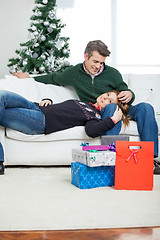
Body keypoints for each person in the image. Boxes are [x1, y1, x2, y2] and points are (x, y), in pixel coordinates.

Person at [13, 40, 159, 174]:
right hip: (101, 110)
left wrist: (129, 94)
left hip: (122, 107)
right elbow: (54, 78)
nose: (98, 66)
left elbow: (123, 89)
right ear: (86, 56)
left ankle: (150, 160)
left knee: (146, 107)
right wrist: (30, 78)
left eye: (101, 63)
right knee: (110, 108)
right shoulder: (74, 73)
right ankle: (110, 159)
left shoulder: (113, 73)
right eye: (95, 61)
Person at [0, 89, 130, 175]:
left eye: (110, 100)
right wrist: (48, 100)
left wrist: (113, 120)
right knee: (2, 95)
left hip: (40, 121)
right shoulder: (85, 103)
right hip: (35, 106)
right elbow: (61, 109)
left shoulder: (95, 116)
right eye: (107, 94)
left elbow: (91, 131)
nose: (105, 98)